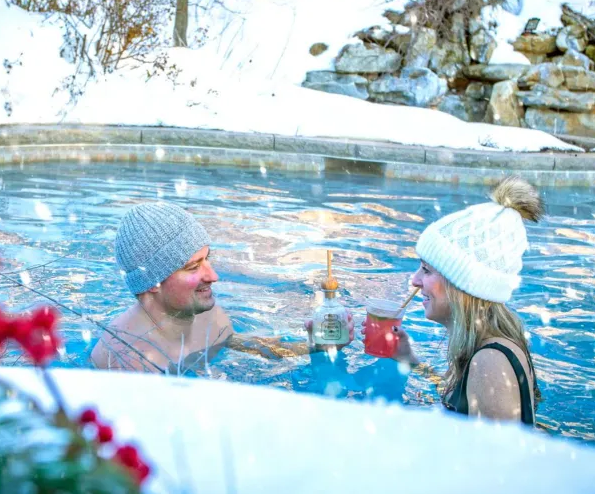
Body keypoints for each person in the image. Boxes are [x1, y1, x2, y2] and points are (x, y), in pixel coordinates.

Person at [91, 201, 353, 373]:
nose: (213, 275)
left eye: (208, 259)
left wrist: (315, 348)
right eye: (193, 267)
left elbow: (250, 347)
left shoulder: (209, 318)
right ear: (152, 283)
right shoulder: (123, 358)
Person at [382, 176, 543, 424]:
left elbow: (499, 461)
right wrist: (409, 360)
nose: (414, 280)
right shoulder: (483, 348)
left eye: (426, 270)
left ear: (462, 286)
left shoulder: (489, 363)